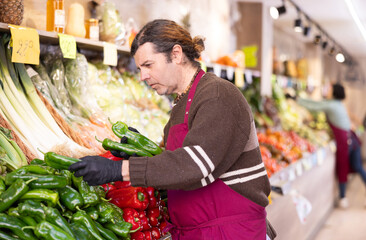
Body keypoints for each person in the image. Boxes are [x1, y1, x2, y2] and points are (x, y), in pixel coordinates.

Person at [69, 19, 276, 240]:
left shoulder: (217, 95)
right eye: (139, 68)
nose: (143, 76)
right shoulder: (182, 101)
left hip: (231, 231)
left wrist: (118, 170)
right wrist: (142, 153)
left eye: (148, 65)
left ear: (176, 54)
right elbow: (179, 161)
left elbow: (195, 165)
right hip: (198, 231)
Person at [297, 83, 366, 208]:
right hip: (352, 138)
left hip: (344, 141)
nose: (327, 90)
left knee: (342, 166)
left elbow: (314, 106)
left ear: (334, 92)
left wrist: (296, 99)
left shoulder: (331, 105)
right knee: (358, 167)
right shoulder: (339, 104)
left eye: (330, 89)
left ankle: (343, 198)